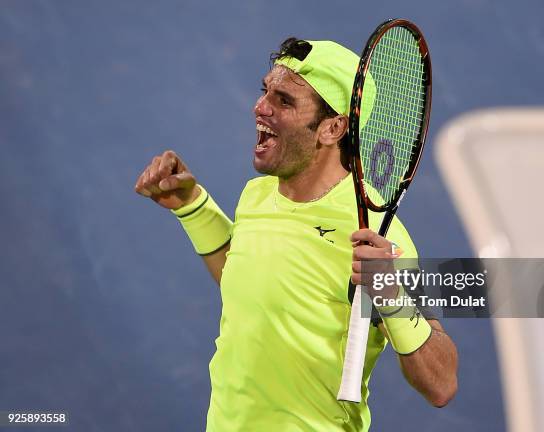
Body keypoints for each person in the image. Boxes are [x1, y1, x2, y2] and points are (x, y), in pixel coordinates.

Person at [134, 37, 458, 431]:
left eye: (284, 100)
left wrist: (392, 298)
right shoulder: (256, 195)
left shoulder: (378, 236)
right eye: (265, 91)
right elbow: (251, 284)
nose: (260, 106)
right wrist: (194, 207)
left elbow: (441, 385)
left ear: (333, 127)